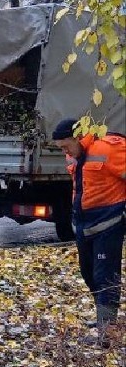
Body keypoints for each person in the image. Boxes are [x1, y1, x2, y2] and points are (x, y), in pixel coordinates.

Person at [52, 118, 126, 335]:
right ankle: (102, 317)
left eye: (66, 146)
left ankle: (107, 327)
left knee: (105, 275)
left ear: (76, 138)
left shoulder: (109, 148)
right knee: (88, 273)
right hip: (84, 224)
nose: (65, 152)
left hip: (109, 221)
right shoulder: (73, 154)